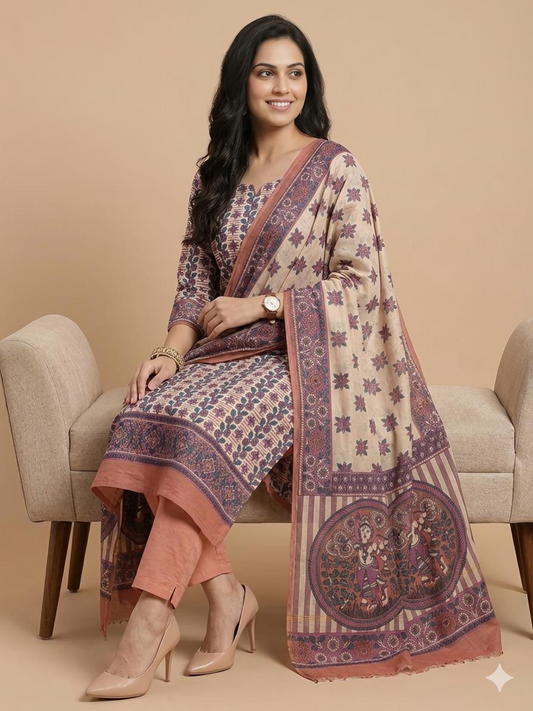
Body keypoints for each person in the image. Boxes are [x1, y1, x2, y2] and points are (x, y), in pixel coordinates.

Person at [86, 14, 503, 699]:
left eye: (295, 72)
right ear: (241, 83)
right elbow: (193, 286)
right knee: (144, 416)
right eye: (265, 72)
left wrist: (262, 305)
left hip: (307, 361)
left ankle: (149, 625)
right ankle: (228, 599)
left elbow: (361, 283)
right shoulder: (213, 175)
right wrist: (169, 352)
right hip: (222, 356)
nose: (282, 87)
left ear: (308, 83)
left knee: (198, 436)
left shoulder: (336, 168)